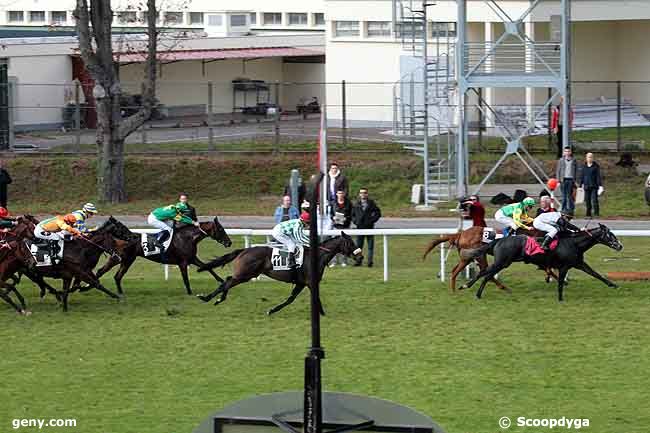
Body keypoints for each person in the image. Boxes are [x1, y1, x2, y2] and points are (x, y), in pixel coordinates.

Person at [351, 188, 381, 267]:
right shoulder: (356, 204)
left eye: (364, 193)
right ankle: (358, 261)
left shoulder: (371, 203)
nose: (363, 194)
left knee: (370, 246)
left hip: (369, 227)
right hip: (360, 228)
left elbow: (378, 213)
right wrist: (356, 222)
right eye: (361, 193)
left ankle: (370, 262)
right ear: (359, 194)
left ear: (367, 194)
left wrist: (372, 220)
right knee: (358, 246)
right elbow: (352, 215)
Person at [329, 189, 353, 267]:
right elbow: (330, 214)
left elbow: (351, 214)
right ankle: (334, 261)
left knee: (345, 244)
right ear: (336, 194)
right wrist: (333, 218)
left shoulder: (348, 203)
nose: (340, 194)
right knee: (334, 244)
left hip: (345, 226)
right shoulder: (333, 203)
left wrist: (347, 218)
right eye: (339, 193)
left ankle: (344, 261)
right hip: (336, 226)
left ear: (344, 194)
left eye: (342, 193)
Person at [579, 152, 603, 218]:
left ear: (593, 158)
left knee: (594, 200)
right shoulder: (584, 166)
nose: (590, 158)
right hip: (586, 186)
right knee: (587, 201)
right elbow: (582, 176)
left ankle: (596, 213)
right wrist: (580, 185)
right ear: (586, 158)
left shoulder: (596, 166)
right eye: (588, 157)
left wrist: (600, 186)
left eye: (591, 157)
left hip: (594, 186)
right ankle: (588, 214)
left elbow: (598, 176)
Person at [556, 146, 577, 215]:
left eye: (568, 151)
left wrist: (576, 180)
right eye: (566, 151)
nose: (567, 153)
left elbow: (576, 171)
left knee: (569, 195)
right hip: (563, 180)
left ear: (570, 152)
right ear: (564, 152)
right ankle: (563, 209)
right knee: (564, 196)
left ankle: (571, 210)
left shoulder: (574, 160)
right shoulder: (561, 160)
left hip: (571, 180)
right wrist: (558, 180)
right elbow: (558, 171)